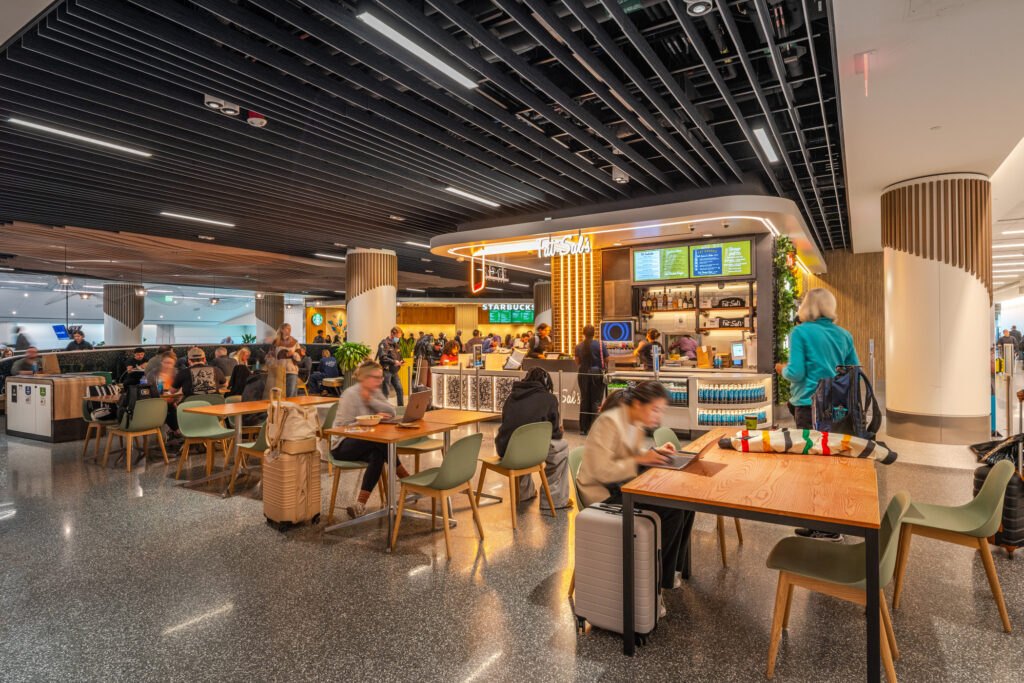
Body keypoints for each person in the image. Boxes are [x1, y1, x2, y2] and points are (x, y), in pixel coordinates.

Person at [576, 381, 695, 596]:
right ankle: (654, 581)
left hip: (618, 488)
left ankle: (670, 572)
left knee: (685, 503)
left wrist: (653, 452)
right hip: (602, 496)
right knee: (672, 510)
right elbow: (604, 470)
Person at [774, 288, 858, 542]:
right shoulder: (844, 334)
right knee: (828, 464)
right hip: (836, 408)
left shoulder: (801, 332)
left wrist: (782, 370)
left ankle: (824, 527)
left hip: (808, 406)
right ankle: (823, 522)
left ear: (806, 308)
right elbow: (852, 368)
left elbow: (797, 372)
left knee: (810, 467)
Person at [329, 360, 413, 519]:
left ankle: (359, 504)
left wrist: (370, 401)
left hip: (366, 441)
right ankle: (405, 478)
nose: (380, 381)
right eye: (376, 377)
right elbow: (344, 428)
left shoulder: (374, 392)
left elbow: (391, 411)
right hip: (342, 444)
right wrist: (368, 419)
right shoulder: (350, 394)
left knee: (378, 454)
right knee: (380, 441)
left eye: (381, 377)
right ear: (365, 378)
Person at [494, 367, 571, 510]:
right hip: (530, 451)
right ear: (546, 382)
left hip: (506, 450)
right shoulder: (549, 399)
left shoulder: (511, 397)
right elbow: (554, 433)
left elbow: (507, 423)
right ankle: (553, 500)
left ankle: (524, 493)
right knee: (562, 448)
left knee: (524, 444)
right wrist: (560, 432)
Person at [574, 325, 608, 435]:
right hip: (597, 374)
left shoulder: (579, 346)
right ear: (594, 333)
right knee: (596, 401)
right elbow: (607, 359)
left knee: (584, 400)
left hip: (583, 374)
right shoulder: (600, 345)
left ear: (583, 333)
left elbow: (577, 362)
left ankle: (583, 428)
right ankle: (595, 429)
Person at [269, 322, 301, 397]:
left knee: (291, 395)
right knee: (279, 396)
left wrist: (293, 354)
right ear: (282, 330)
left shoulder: (295, 342)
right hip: (279, 371)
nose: (290, 330)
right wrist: (269, 360)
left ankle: (291, 409)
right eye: (288, 328)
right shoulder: (275, 342)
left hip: (291, 371)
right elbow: (272, 356)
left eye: (290, 329)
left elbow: (299, 358)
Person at [376, 326, 405, 406]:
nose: (398, 339)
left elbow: (399, 355)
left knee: (400, 390)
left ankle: (401, 409)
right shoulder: (384, 343)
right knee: (385, 392)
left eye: (399, 337)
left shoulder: (396, 344)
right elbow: (383, 358)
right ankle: (383, 410)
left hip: (394, 371)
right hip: (386, 371)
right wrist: (393, 362)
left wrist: (401, 361)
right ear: (392, 334)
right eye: (397, 337)